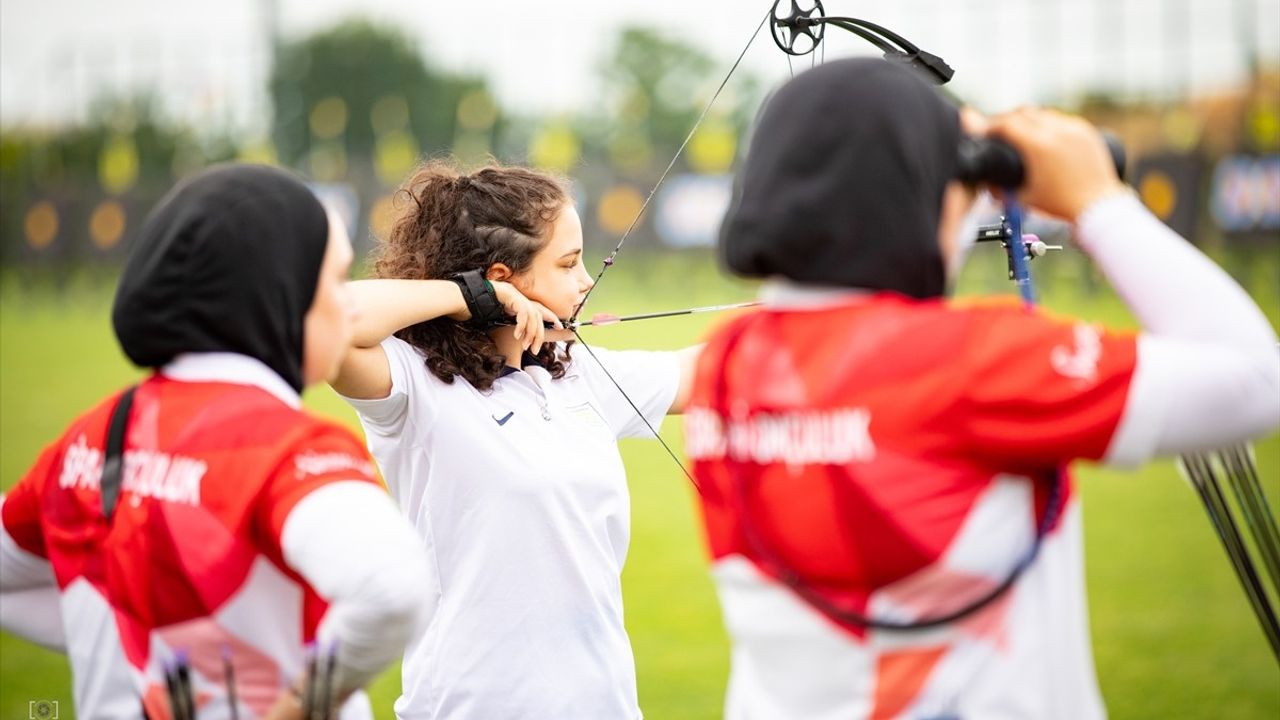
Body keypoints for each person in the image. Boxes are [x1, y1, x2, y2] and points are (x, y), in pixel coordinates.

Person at [684, 58, 1280, 719]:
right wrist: (1099, 203)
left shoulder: (726, 362)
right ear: (912, 193)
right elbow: (1256, 379)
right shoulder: (967, 361)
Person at [0, 164, 431, 720]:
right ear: (280, 292)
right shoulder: (286, 446)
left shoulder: (92, 435)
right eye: (334, 279)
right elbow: (392, 591)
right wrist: (297, 707)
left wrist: (152, 649)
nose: (347, 305)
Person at [330, 161, 699, 720]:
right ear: (503, 278)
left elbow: (724, 369)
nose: (585, 282)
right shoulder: (416, 387)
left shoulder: (579, 376)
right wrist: (469, 296)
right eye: (569, 264)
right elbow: (328, 320)